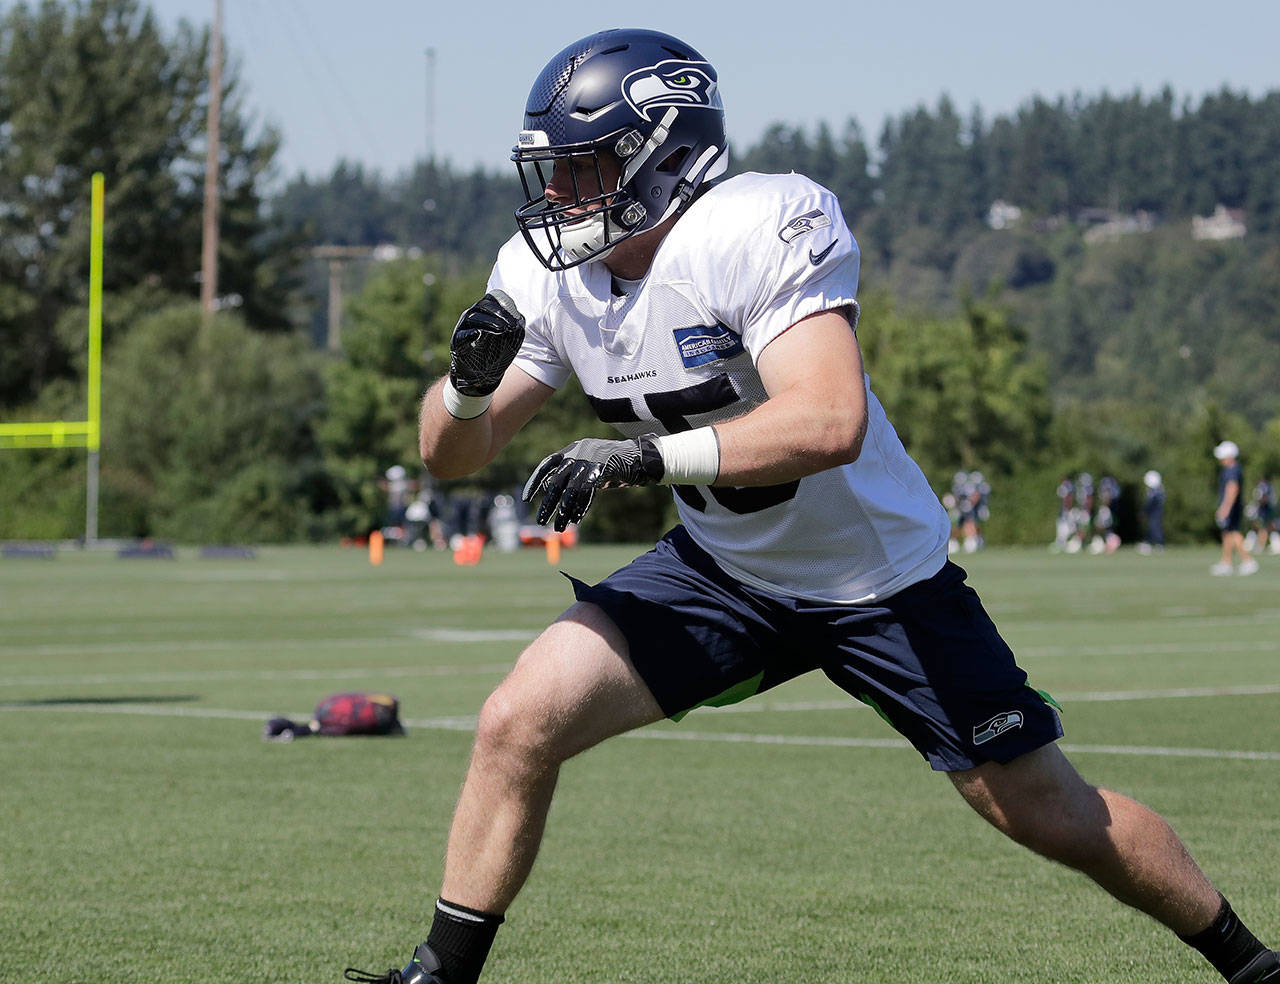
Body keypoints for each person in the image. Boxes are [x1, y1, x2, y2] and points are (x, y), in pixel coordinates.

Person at [344, 29, 1279, 984]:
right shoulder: (547, 272)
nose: (561, 196)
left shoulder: (754, 226)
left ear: (665, 154)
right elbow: (451, 457)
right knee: (516, 719)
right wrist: (463, 389)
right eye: (554, 172)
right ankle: (440, 975)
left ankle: (1249, 964)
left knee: (1044, 811)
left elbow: (829, 418)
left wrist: (640, 459)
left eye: (585, 169)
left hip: (876, 581)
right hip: (727, 570)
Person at [1212, 441, 1259, 576]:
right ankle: (1226, 562)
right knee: (1227, 533)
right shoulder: (1232, 469)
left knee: (1233, 533)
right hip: (1231, 506)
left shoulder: (1232, 470)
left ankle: (1248, 560)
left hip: (1231, 507)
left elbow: (1232, 488)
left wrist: (1225, 508)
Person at [1138, 469, 1166, 554]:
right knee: (1152, 527)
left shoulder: (1155, 491)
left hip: (1155, 512)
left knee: (1154, 527)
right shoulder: (1159, 490)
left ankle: (1158, 544)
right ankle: (1148, 543)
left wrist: (1144, 511)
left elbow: (1150, 503)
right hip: (1155, 512)